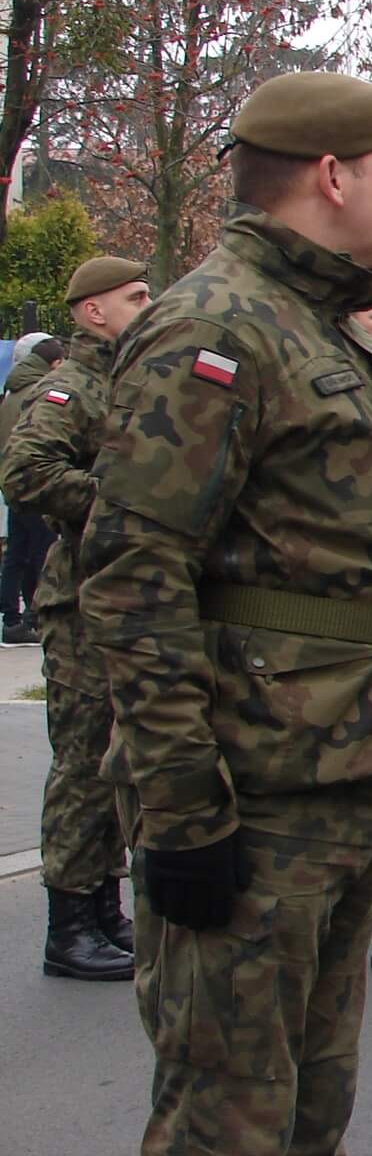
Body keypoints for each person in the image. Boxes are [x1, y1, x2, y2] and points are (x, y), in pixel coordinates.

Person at [79, 70, 372, 1156]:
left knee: (307, 1113)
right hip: (255, 793)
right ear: (332, 176)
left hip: (341, 772)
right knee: (229, 1123)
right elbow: (137, 574)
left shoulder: (315, 326)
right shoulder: (218, 328)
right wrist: (184, 811)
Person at [1, 258, 149, 981]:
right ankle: (70, 922)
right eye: (135, 298)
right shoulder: (75, 387)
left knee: (121, 761)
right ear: (94, 312)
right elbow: (24, 471)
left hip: (128, 597)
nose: (147, 307)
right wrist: (116, 509)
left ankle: (103, 906)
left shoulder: (135, 380)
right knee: (85, 763)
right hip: (83, 600)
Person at [0, 332, 64, 644]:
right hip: (35, 484)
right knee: (42, 551)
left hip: (13, 481)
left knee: (17, 553)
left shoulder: (12, 391)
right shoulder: (40, 392)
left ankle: (12, 619)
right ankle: (34, 616)